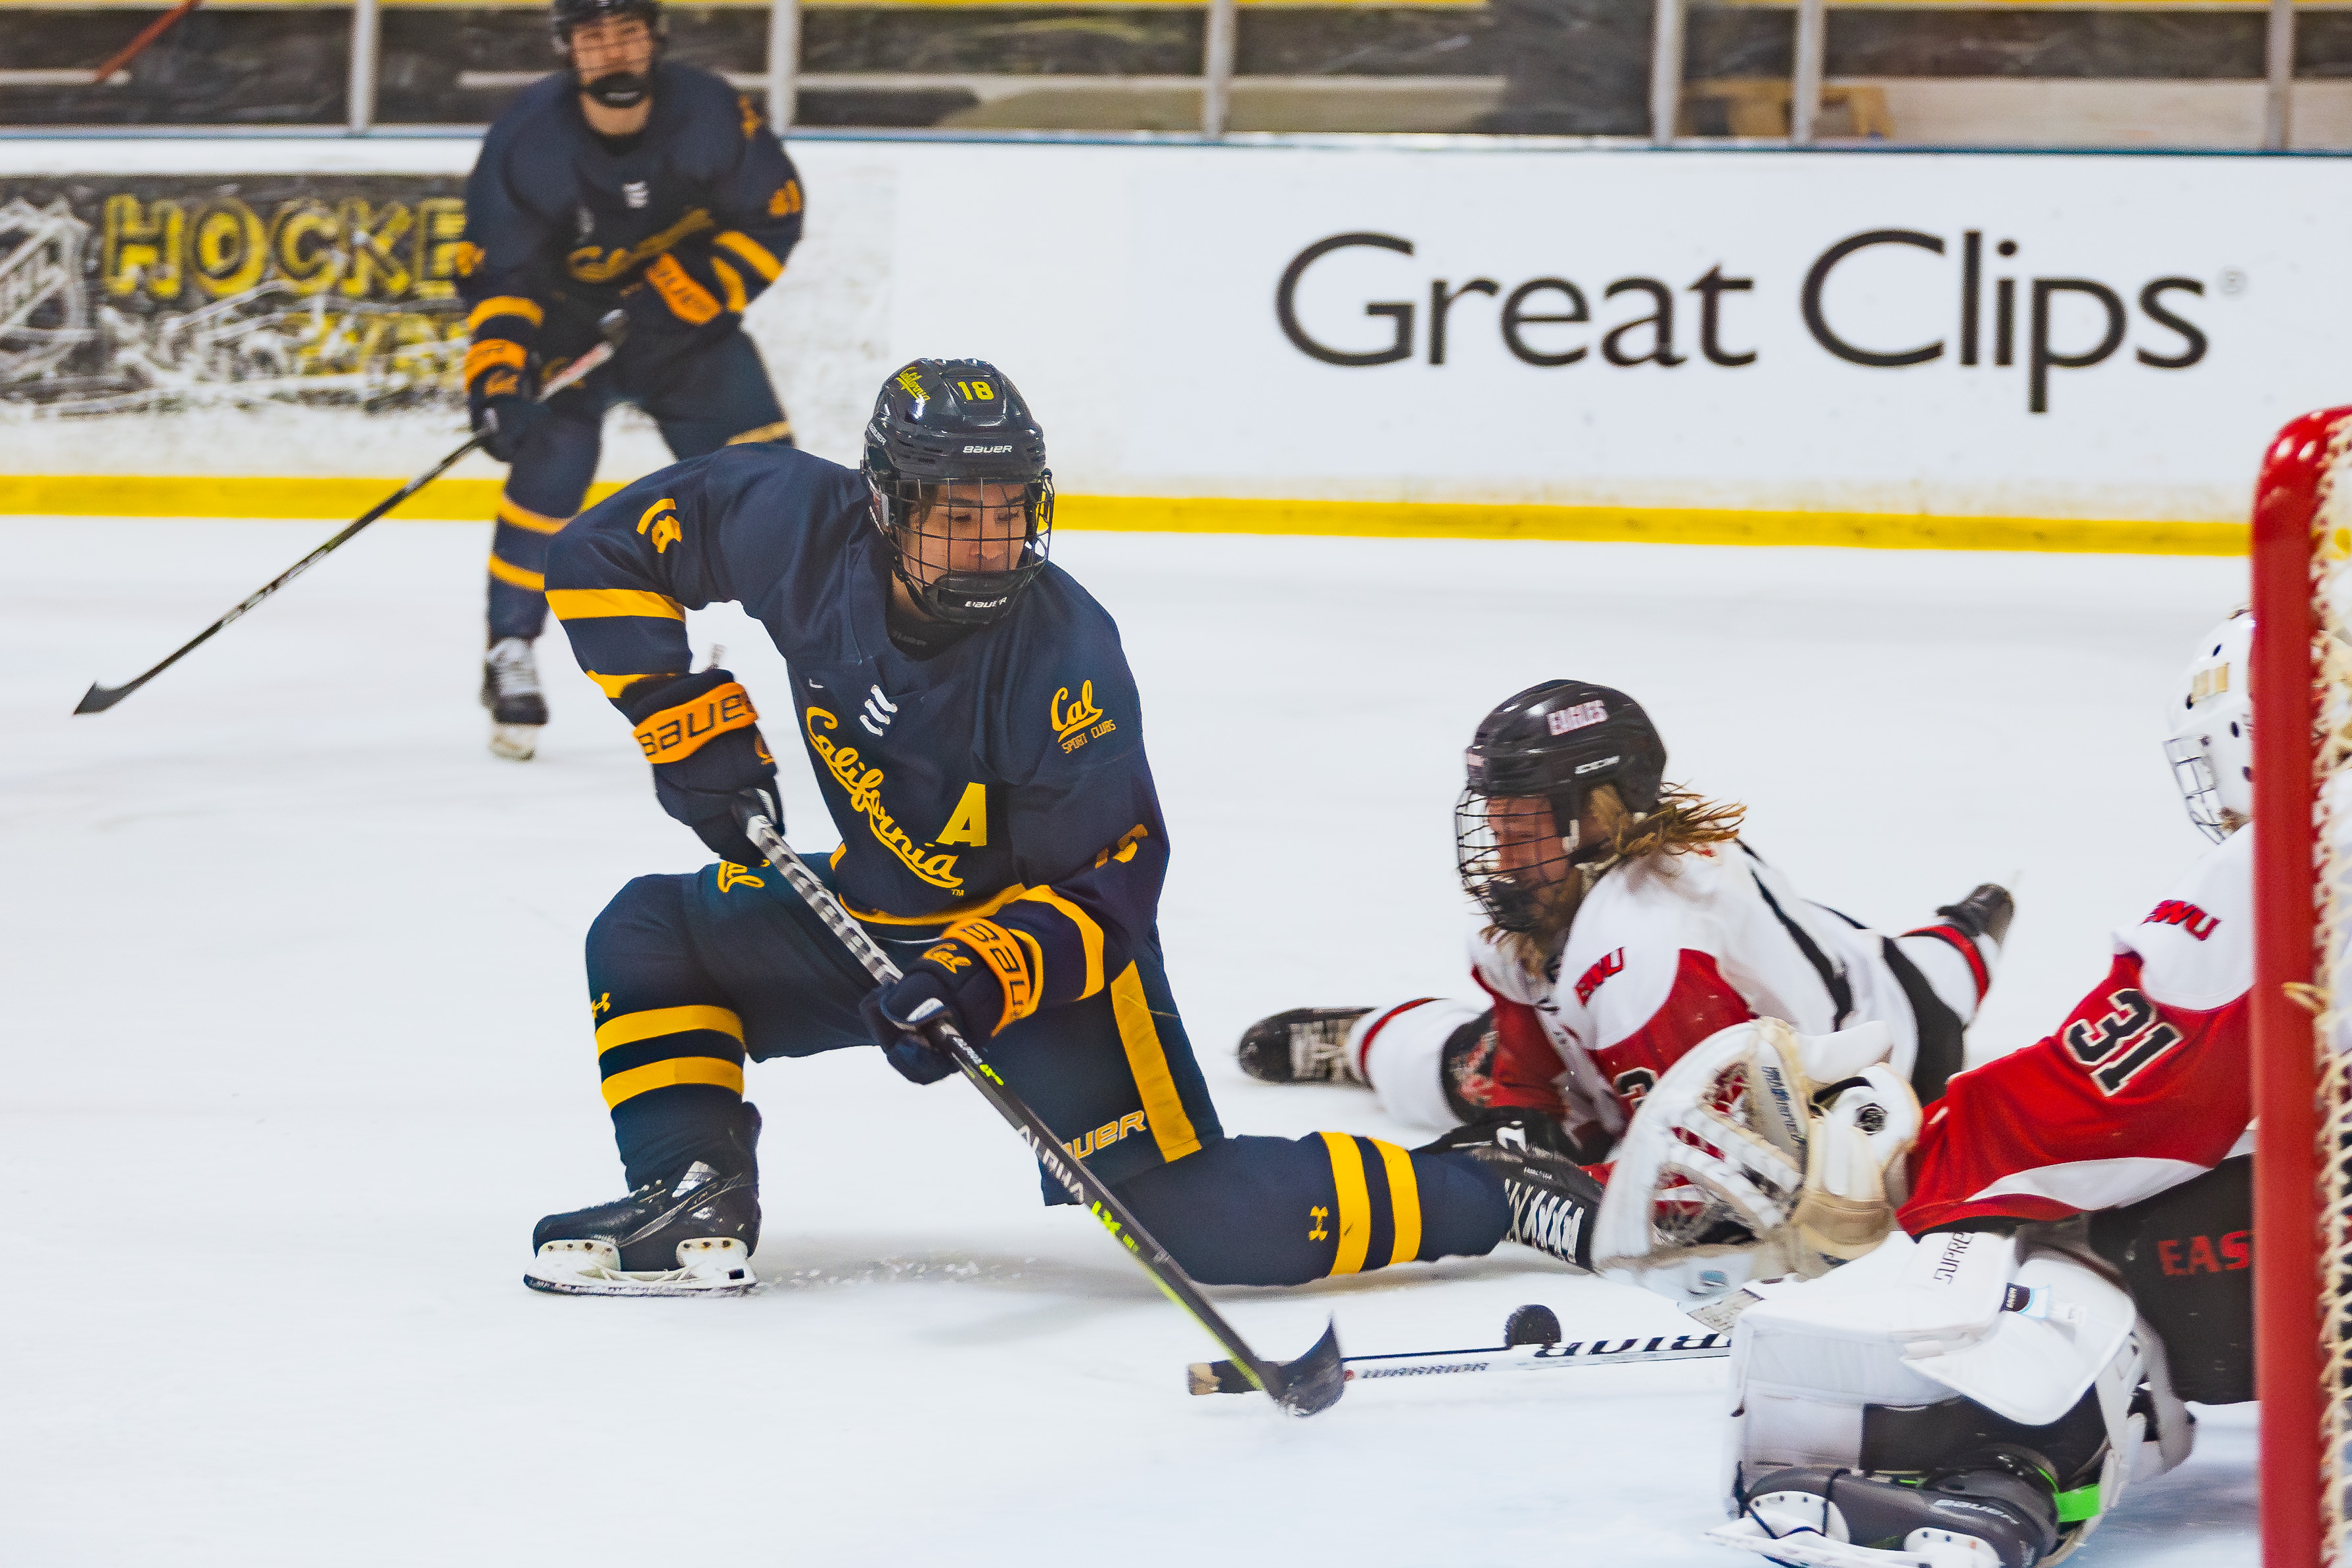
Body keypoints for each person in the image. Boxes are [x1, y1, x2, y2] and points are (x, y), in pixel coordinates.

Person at [519, 359, 1607, 1297]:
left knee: (1198, 1222)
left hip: (1038, 954)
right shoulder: (786, 519)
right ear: (883, 506)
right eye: (955, 514)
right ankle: (693, 1198)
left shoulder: (1062, 654)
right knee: (649, 934)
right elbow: (597, 552)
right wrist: (682, 721)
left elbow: (1116, 878)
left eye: (1008, 511)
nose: (990, 545)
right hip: (871, 902)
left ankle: (1490, 1189)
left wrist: (979, 975)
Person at [1703, 609, 2257, 1568]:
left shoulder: (2289, 855)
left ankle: (1995, 1461)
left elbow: (2118, 1102)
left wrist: (1913, 1158)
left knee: (2064, 1221)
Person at [1236, 680, 2008, 1164]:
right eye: (1494, 825)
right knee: (1468, 1067)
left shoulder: (1645, 947)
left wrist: (1530, 1195)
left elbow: (1704, 1173)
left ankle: (1971, 929)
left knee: (1947, 966)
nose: (1499, 854)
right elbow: (1526, 1081)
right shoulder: (1552, 900)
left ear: (1599, 815)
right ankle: (1371, 1036)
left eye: (1524, 826)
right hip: (1815, 971)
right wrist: (1519, 1118)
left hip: (1887, 1048)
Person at [456, 0, 804, 761]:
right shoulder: (528, 137)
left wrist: (686, 293)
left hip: (687, 336)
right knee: (546, 484)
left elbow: (773, 217)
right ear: (567, 50)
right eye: (592, 37)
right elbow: (500, 271)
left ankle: (844, 653)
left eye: (628, 32)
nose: (613, 52)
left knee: (776, 489)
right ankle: (508, 648)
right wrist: (499, 376)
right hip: (567, 340)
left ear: (656, 39)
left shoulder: (711, 113)